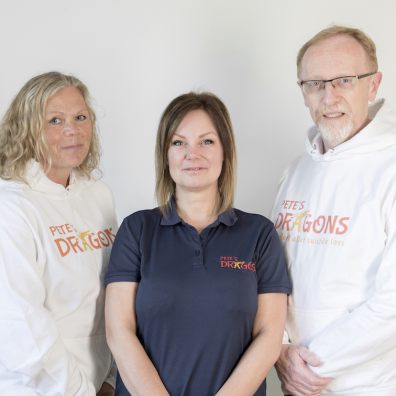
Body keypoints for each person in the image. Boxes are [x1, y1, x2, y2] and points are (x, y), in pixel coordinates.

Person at [105, 92, 291, 396]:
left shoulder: (259, 233)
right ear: (165, 155)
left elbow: (269, 336)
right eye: (179, 142)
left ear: (225, 151)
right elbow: (118, 331)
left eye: (206, 141)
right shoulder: (137, 229)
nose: (193, 154)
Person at [271, 25, 396, 395]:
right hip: (294, 382)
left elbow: (392, 304)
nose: (329, 96)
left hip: (365, 386)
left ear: (373, 86)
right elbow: (270, 275)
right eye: (315, 84)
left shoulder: (391, 168)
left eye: (344, 80)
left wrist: (305, 366)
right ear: (303, 92)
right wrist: (278, 350)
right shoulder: (295, 172)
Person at [0, 71, 117, 396]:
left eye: (81, 117)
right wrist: (79, 392)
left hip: (100, 385)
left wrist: (110, 380)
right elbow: (20, 325)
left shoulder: (98, 196)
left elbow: (117, 291)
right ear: (26, 128)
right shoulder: (11, 207)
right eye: (55, 120)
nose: (72, 130)